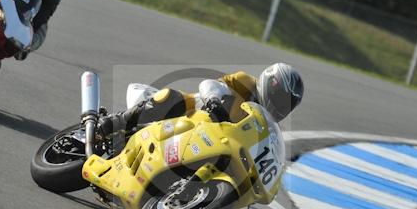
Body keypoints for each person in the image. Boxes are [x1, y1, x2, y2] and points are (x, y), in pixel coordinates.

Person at [98, 63, 304, 136]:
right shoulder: (245, 82)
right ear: (270, 85)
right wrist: (214, 101)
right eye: (282, 99)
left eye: (289, 106)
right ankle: (116, 122)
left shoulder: (265, 125)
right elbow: (210, 84)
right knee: (171, 98)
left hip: (208, 140)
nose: (282, 108)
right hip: (190, 114)